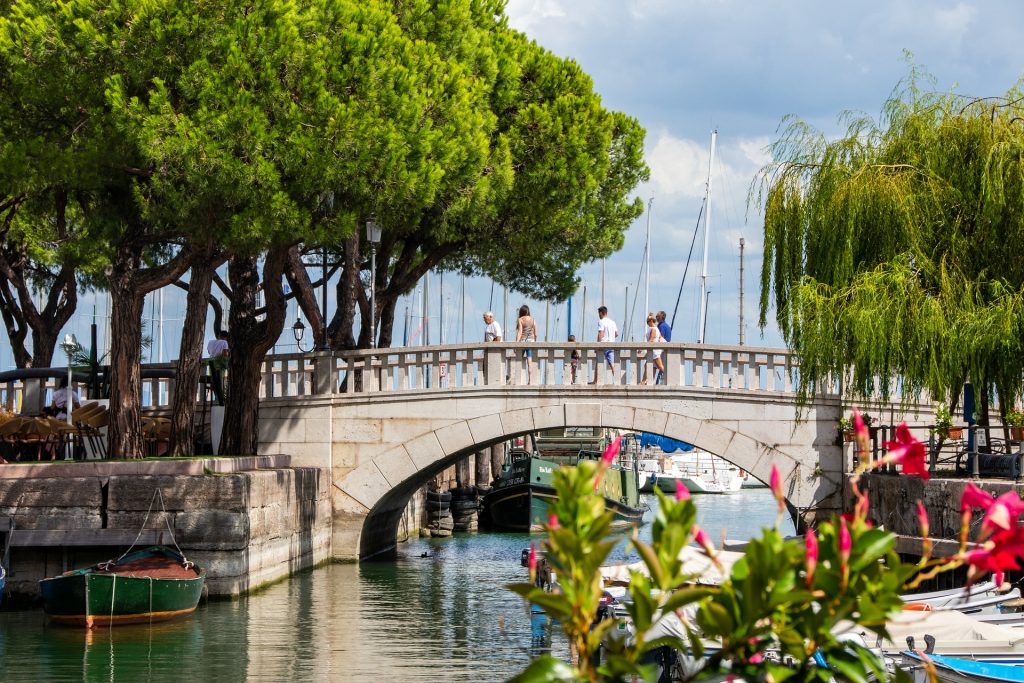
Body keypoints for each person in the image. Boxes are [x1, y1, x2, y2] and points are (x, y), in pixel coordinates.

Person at [590, 306, 619, 384]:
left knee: (598, 362)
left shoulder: (601, 321)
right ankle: (617, 380)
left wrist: (597, 345)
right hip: (612, 344)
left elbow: (600, 333)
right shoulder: (613, 322)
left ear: (600, 313)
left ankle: (595, 380)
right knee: (612, 364)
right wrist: (611, 337)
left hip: (603, 345)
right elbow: (616, 334)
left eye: (598, 314)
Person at [515, 305, 538, 384]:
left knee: (519, 360)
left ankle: (518, 380)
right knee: (529, 361)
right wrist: (534, 341)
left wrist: (516, 343)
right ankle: (530, 380)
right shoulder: (533, 319)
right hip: (531, 341)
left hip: (523, 341)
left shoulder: (520, 319)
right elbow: (536, 333)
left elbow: (520, 332)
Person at [641, 313, 665, 385]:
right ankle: (644, 381)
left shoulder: (653, 329)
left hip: (654, 351)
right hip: (653, 351)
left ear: (651, 321)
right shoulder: (656, 329)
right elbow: (660, 338)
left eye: (648, 321)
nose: (647, 323)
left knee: (660, 367)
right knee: (647, 365)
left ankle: (670, 379)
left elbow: (651, 340)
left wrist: (642, 348)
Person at [207, 329, 229, 406]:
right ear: (226, 337)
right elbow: (225, 353)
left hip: (211, 362)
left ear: (219, 335)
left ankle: (216, 396)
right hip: (220, 363)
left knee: (213, 379)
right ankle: (220, 397)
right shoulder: (225, 342)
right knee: (220, 380)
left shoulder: (210, 342)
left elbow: (209, 352)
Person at [655, 311, 672, 384]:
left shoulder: (661, 326)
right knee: (661, 367)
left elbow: (660, 338)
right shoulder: (667, 326)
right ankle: (658, 381)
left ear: (662, 317)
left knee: (658, 366)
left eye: (657, 316)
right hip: (666, 348)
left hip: (661, 349)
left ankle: (658, 382)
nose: (656, 318)